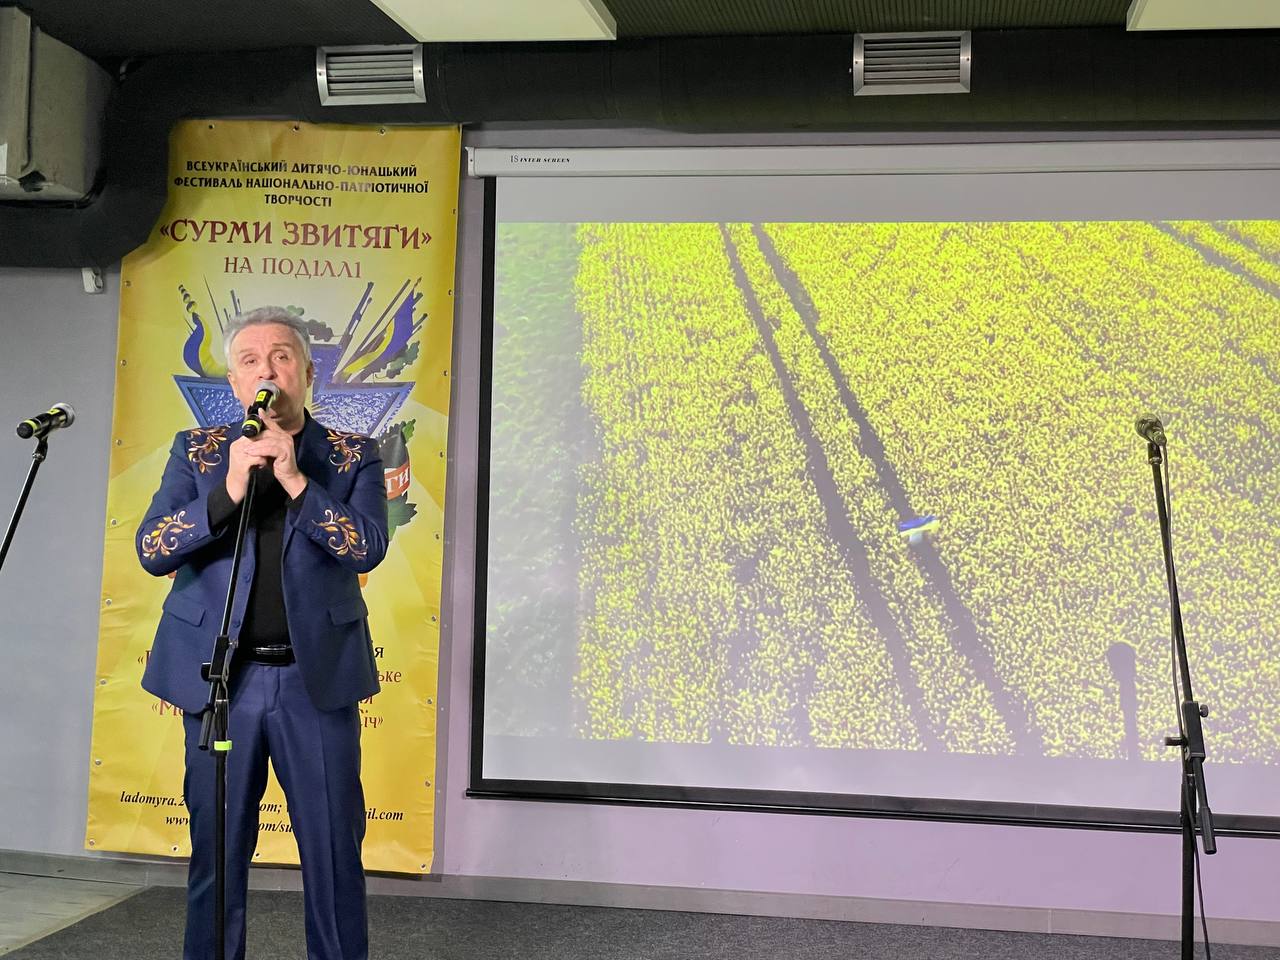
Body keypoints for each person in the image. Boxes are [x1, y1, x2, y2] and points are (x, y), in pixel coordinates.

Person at [135, 306, 388, 960]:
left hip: (315, 684)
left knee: (334, 855)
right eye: (250, 360)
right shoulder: (197, 452)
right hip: (221, 683)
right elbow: (153, 549)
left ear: (306, 371)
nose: (267, 370)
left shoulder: (352, 454)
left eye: (281, 357)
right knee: (216, 857)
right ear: (234, 381)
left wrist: (296, 481)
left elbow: (365, 548)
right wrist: (227, 489)